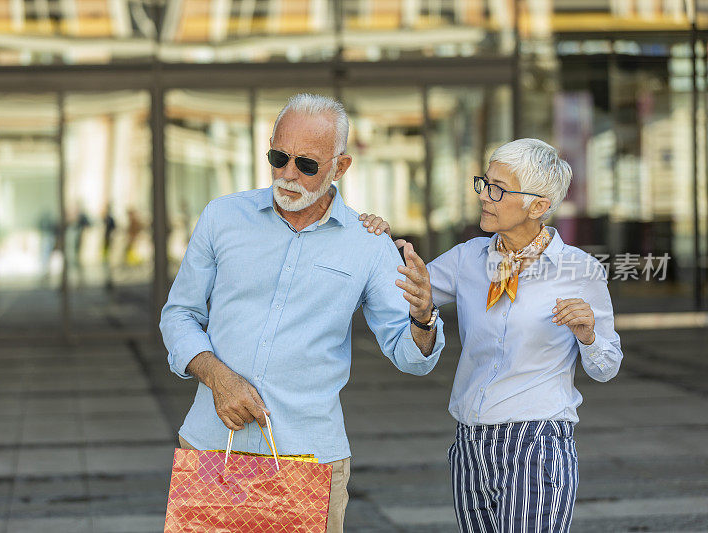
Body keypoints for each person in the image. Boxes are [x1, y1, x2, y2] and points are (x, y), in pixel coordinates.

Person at [159, 93, 444, 532]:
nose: (288, 174)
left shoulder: (368, 244)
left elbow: (410, 356)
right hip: (211, 447)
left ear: (340, 167)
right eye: (278, 157)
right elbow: (179, 315)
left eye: (306, 164)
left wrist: (423, 317)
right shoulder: (222, 217)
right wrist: (218, 377)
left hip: (310, 460)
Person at [359, 138, 623, 532]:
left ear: (538, 206)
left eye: (498, 189)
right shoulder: (468, 258)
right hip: (470, 443)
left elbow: (607, 366)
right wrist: (376, 239)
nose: (485, 196)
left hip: (537, 441)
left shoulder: (579, 271)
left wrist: (588, 335)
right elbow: (404, 287)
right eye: (484, 183)